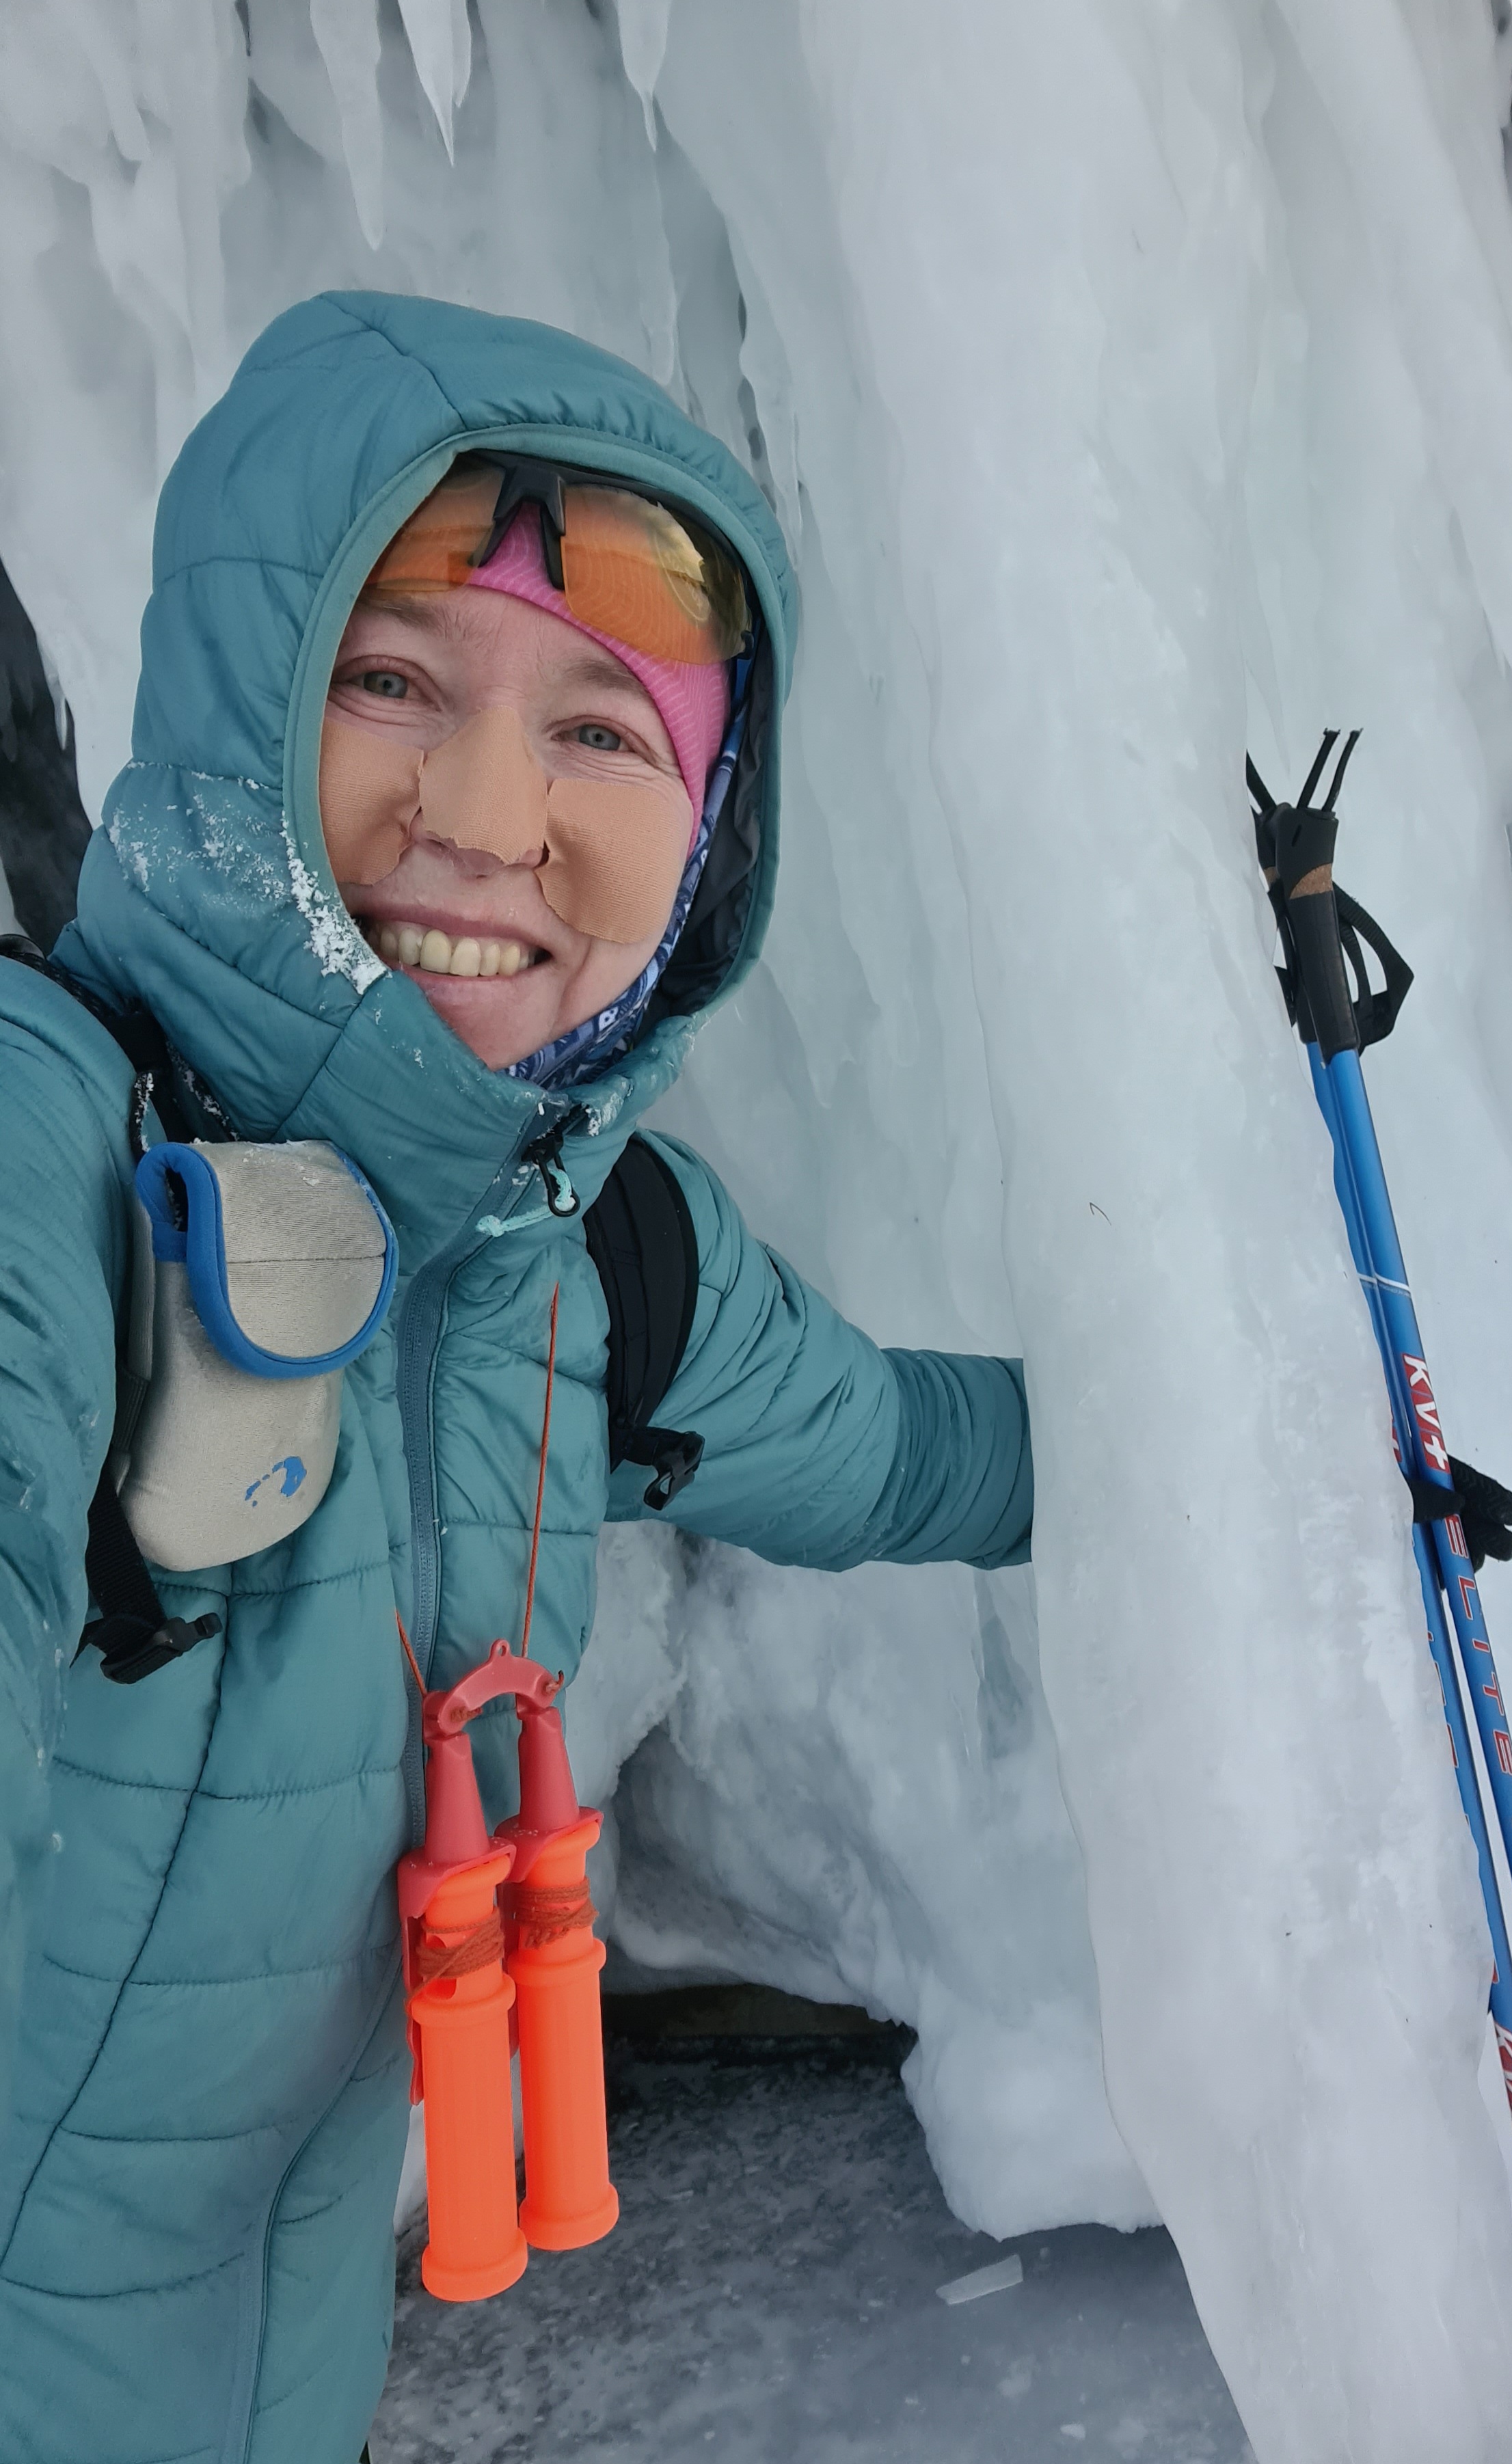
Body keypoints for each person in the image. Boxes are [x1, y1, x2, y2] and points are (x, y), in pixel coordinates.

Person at [0, 292, 1031, 2464]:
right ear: (240, 706)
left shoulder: (590, 1252)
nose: (485, 816)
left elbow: (900, 1457)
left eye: (602, 731)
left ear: (708, 829)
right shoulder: (47, 1148)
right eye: (389, 681)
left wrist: (1314, 1451)